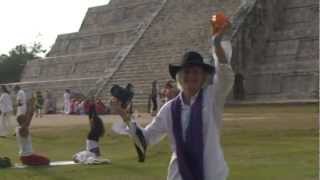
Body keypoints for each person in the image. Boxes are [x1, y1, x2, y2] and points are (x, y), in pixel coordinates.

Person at [111, 14, 234, 180]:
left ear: (204, 77)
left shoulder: (212, 97)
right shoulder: (169, 109)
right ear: (180, 77)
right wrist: (124, 115)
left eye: (196, 72)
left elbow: (225, 73)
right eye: (187, 72)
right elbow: (146, 139)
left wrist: (217, 43)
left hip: (211, 174)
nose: (192, 76)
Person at [16, 95, 50, 166]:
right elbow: (28, 117)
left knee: (44, 157)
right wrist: (30, 105)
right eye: (24, 118)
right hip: (27, 157)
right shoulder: (22, 129)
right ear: (22, 121)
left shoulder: (20, 127)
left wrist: (31, 105)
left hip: (26, 156)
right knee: (47, 161)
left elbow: (29, 116)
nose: (25, 118)